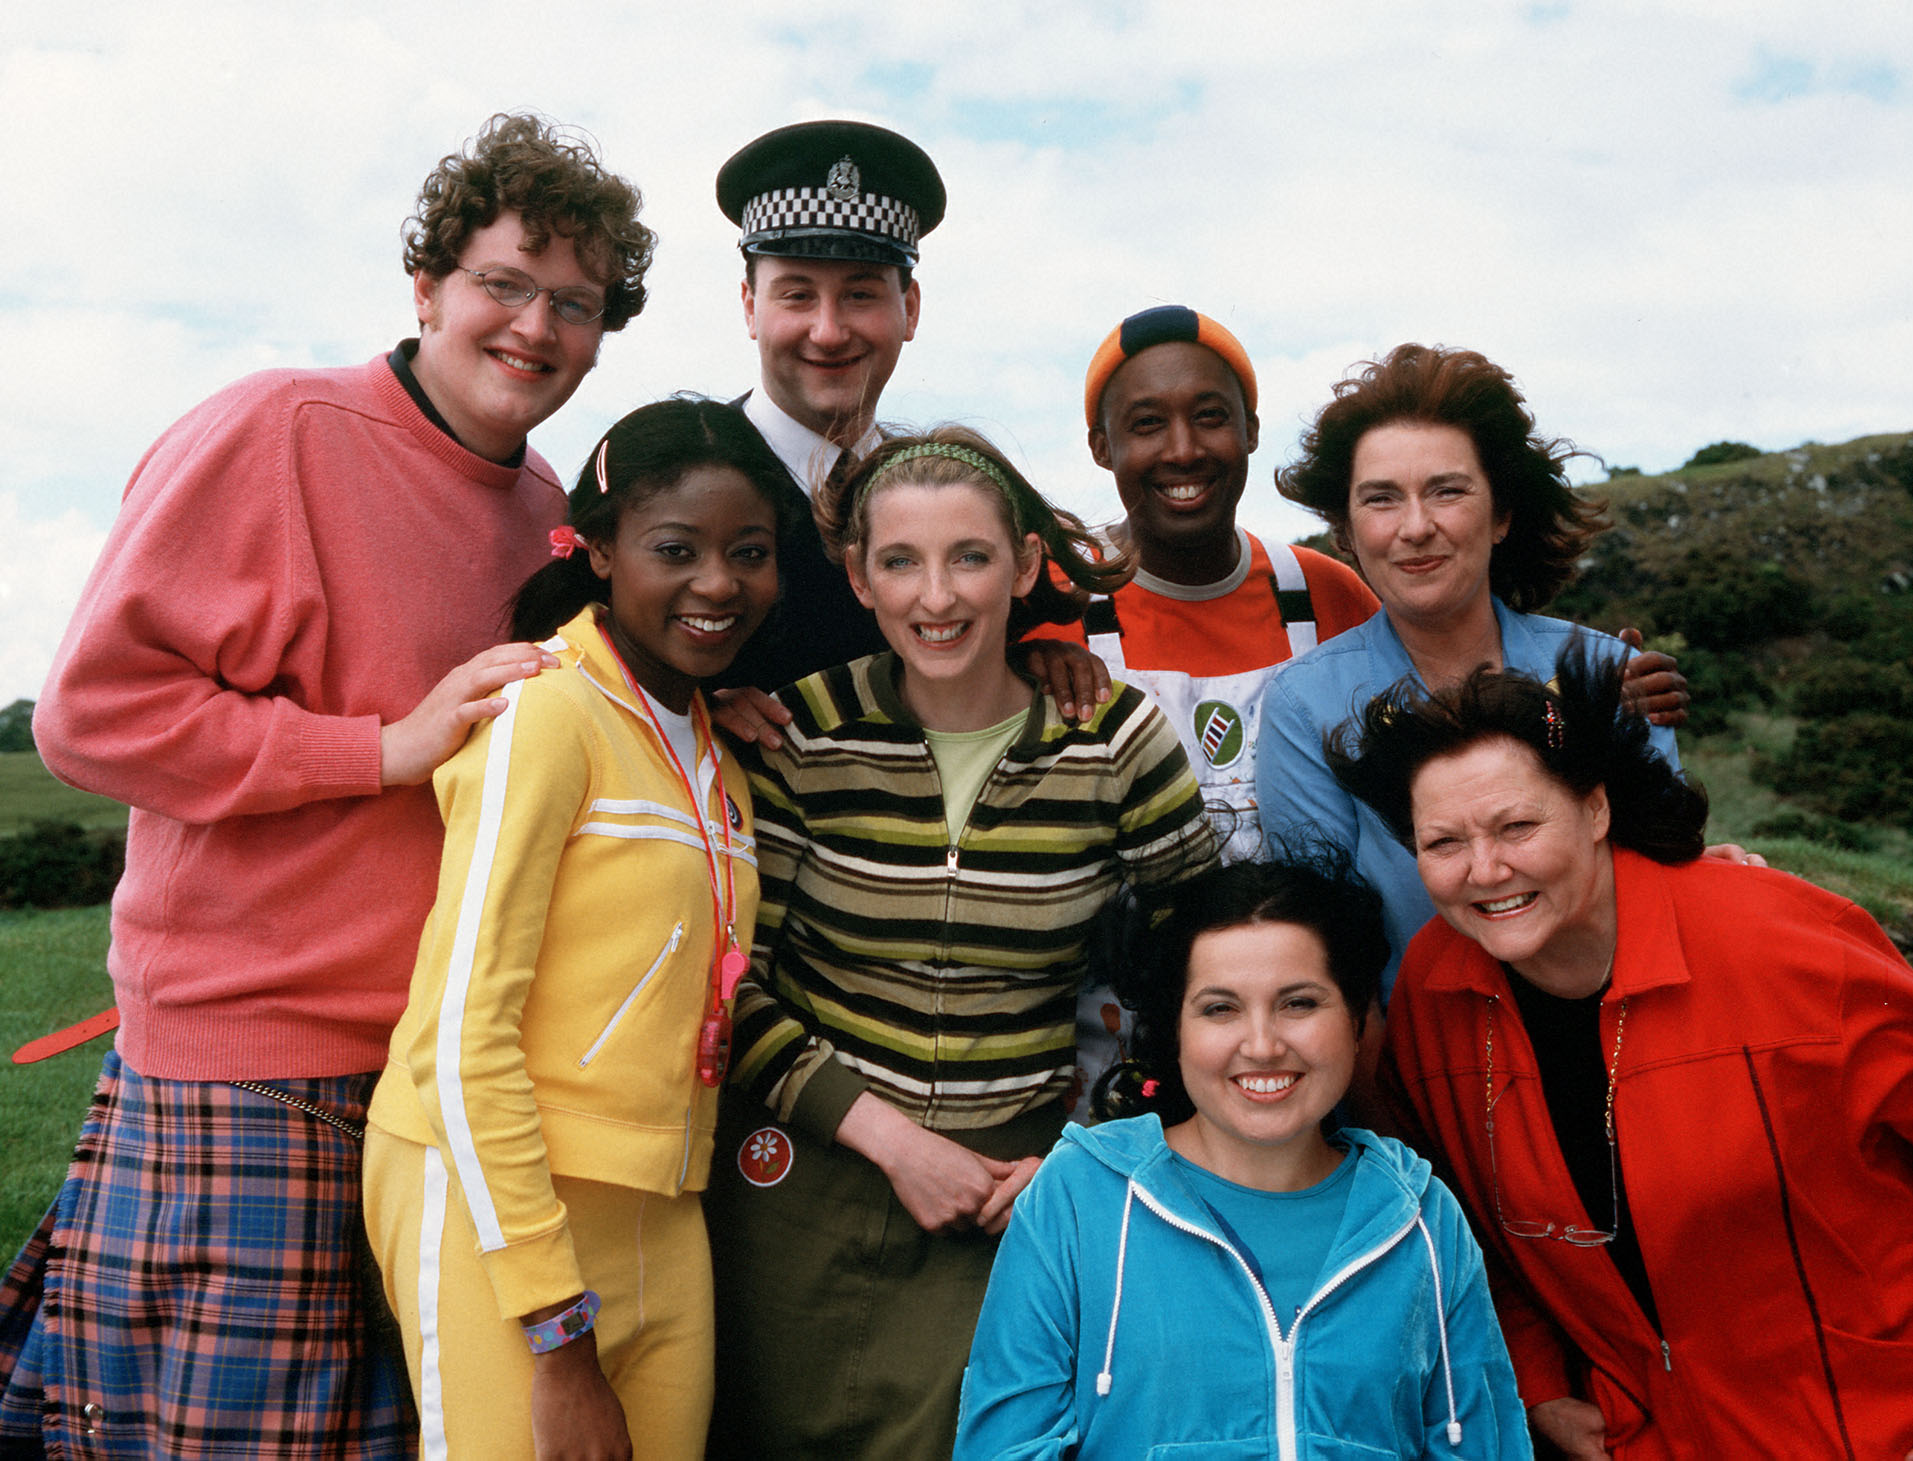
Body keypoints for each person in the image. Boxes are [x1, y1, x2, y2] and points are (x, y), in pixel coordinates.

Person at [0, 114, 654, 1458]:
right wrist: (377, 746)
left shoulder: (541, 504)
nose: (537, 325)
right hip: (255, 1077)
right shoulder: (274, 433)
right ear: (426, 284)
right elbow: (89, 715)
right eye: (505, 282)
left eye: (576, 303)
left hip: (436, 1088)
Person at [702, 428, 1219, 1459]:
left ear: (1024, 566)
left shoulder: (1114, 740)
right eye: (900, 562)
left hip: (1008, 1191)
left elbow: (1207, 970)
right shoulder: (802, 733)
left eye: (968, 558)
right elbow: (729, 987)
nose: (935, 598)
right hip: (801, 1176)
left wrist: (1086, 1152)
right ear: (857, 577)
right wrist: (891, 1142)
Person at [1328, 647, 1913, 1460]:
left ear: (1595, 809)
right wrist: (1538, 1386)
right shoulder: (1435, 989)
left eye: (1517, 825)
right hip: (1638, 1437)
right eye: (1442, 842)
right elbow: (1455, 1225)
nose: (1485, 869)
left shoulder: (1785, 945)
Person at [362, 398, 787, 1459]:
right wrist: (555, 1329)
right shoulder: (544, 712)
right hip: (499, 1214)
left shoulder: (720, 759)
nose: (717, 583)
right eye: (674, 550)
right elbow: (461, 1034)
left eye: (749, 553)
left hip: (664, 1214)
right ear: (596, 551)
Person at [954, 857, 1532, 1459]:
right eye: (1220, 1009)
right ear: (1174, 1029)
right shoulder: (1077, 1199)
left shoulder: (1422, 1217)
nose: (1262, 1045)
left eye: (1299, 1003)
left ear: (1358, 1020)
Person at [1258, 343, 1685, 1001]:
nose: (1416, 526)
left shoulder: (1608, 673)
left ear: (1501, 514)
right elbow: (1327, 950)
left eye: (1446, 490)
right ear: (1344, 532)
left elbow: (1663, 882)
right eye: (1380, 499)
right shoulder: (1302, 705)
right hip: (1419, 1058)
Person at [710, 118, 1109, 728]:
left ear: (910, 309)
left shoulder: (949, 494)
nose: (828, 330)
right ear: (749, 307)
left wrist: (1031, 659)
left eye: (861, 295)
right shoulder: (676, 476)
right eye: (796, 295)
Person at [1030, 304, 1380, 864]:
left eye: (1210, 416)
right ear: (1101, 447)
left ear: (1252, 431)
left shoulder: (1329, 594)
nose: (1183, 449)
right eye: (1147, 423)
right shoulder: (1045, 599)